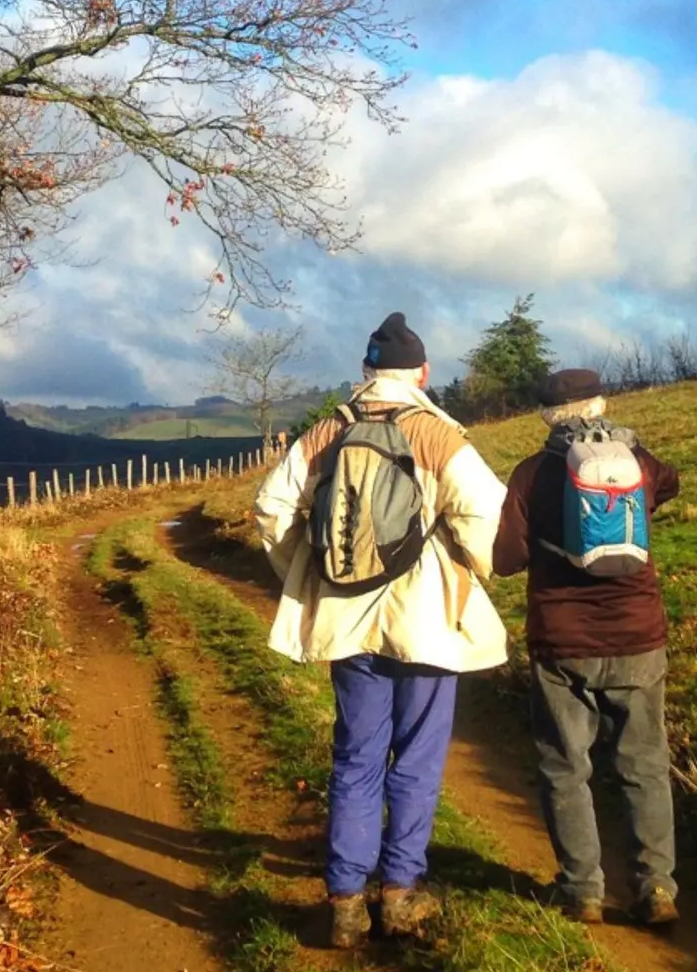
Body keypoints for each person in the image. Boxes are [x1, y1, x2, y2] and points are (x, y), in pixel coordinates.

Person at [254, 312, 510, 948]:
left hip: (346, 622)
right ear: (422, 373)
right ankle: (399, 895)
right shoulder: (438, 435)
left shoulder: (327, 432)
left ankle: (344, 904)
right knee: (417, 759)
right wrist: (477, 566)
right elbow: (486, 513)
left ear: (367, 371)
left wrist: (305, 574)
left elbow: (270, 507)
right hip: (426, 622)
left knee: (356, 758)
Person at [493, 368, 683, 927]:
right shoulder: (640, 463)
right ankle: (657, 891)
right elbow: (670, 485)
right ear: (601, 405)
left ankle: (583, 892)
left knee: (564, 766)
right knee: (645, 765)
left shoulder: (532, 474)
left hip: (562, 641)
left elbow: (506, 560)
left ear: (546, 415)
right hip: (638, 636)